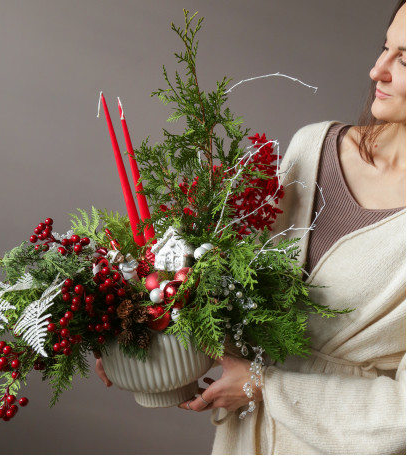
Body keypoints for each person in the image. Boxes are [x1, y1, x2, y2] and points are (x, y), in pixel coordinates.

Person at [96, 1, 406, 453]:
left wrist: (267, 385)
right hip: (248, 439)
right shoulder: (313, 147)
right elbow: (241, 291)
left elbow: (402, 417)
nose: (377, 69)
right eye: (385, 46)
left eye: (405, 58)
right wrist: (139, 334)